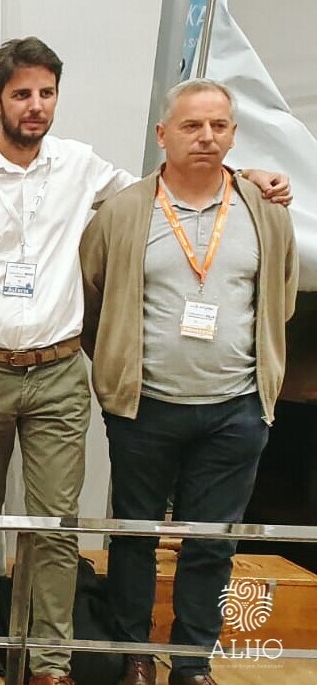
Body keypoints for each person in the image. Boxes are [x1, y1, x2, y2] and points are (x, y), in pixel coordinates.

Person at [0, 38, 290, 685]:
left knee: (57, 525)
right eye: (21, 94)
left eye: (46, 93)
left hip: (60, 373)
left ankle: (49, 663)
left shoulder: (82, 165)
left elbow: (175, 185)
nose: (36, 106)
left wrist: (249, 175)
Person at [80, 79, 297, 685]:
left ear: (233, 134)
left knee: (211, 543)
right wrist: (118, 367)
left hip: (236, 409)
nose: (206, 137)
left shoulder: (265, 210)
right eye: (192, 126)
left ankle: (192, 663)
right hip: (144, 407)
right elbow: (92, 302)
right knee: (133, 537)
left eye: (218, 126)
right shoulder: (124, 212)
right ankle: (133, 657)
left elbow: (278, 300)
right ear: (162, 134)